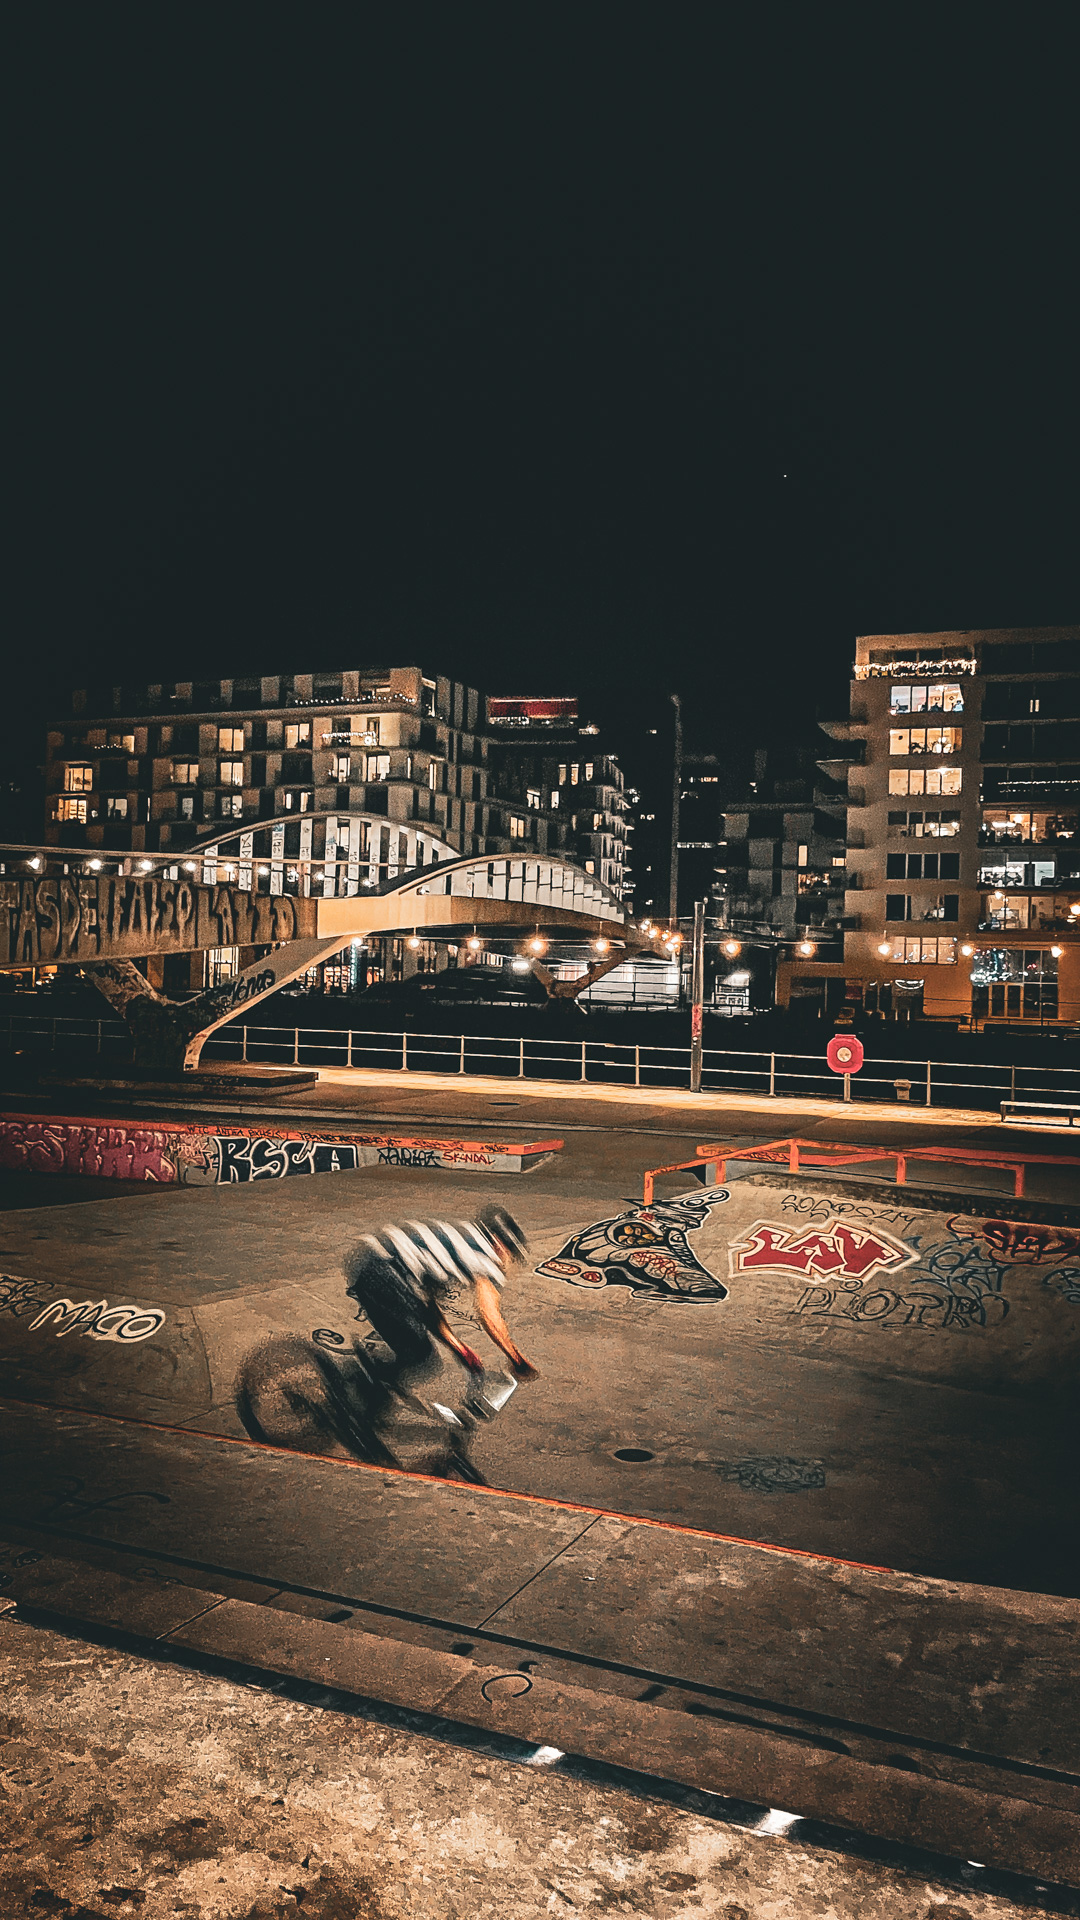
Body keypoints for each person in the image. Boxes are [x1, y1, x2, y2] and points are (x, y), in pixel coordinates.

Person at [342, 1207, 540, 1410]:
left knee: (413, 1347)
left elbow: (427, 1307)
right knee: (420, 1355)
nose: (506, 1262)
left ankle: (368, 1384)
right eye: (509, 1254)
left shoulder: (458, 1238)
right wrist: (517, 1360)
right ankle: (360, 1395)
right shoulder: (484, 1254)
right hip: (386, 1273)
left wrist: (458, 1348)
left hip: (368, 1263)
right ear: (499, 1243)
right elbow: (490, 1316)